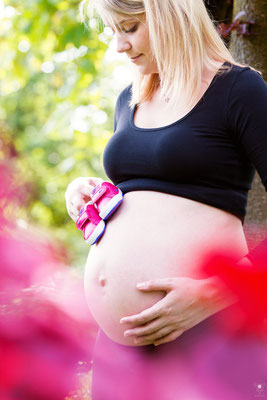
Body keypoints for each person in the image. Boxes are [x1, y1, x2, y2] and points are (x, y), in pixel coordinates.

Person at [65, 0, 267, 398]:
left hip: (205, 332)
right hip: (119, 351)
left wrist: (214, 292)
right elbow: (150, 193)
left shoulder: (239, 90)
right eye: (113, 32)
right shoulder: (129, 99)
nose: (120, 46)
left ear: (169, 14)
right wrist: (84, 191)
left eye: (130, 27)